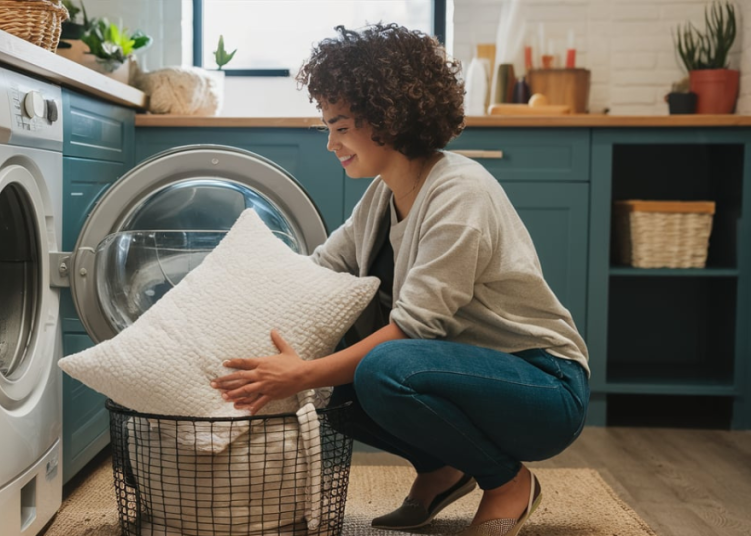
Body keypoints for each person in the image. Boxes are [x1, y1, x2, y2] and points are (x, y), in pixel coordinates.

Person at [210, 23, 590, 536]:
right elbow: (317, 276)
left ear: (388, 117)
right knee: (338, 368)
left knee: (381, 367)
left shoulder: (460, 194)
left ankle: (507, 483)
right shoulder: (381, 197)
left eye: (341, 127)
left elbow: (415, 331)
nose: (330, 143)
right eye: (327, 126)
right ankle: (442, 470)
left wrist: (300, 374)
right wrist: (227, 297)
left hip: (543, 386)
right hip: (461, 375)